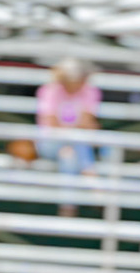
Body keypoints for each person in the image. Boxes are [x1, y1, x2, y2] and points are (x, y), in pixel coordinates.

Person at [35, 57, 101, 216]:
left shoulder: (90, 91)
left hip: (71, 144)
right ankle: (91, 176)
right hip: (50, 143)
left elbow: (86, 122)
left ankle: (68, 207)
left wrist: (70, 129)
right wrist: (76, 128)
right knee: (74, 145)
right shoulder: (49, 91)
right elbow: (51, 123)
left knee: (69, 153)